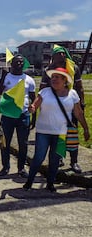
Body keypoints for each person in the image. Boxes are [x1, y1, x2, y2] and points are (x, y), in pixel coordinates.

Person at [24, 68, 89, 192]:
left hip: (61, 133)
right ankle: (29, 181)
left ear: (65, 80)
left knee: (54, 160)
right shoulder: (45, 92)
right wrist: (31, 108)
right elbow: (35, 106)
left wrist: (86, 129)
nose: (53, 79)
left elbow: (79, 113)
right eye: (52, 77)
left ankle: (50, 183)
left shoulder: (73, 94)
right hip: (43, 132)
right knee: (39, 157)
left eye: (57, 77)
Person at [39, 45, 85, 173]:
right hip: (55, 107)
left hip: (71, 105)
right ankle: (58, 158)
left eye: (64, 54)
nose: (62, 56)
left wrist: (82, 103)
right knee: (57, 135)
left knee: (72, 135)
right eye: (59, 54)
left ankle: (74, 161)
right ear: (53, 57)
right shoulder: (49, 70)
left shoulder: (73, 68)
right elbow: (42, 89)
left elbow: (79, 86)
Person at [0, 54, 35, 178]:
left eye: (21, 62)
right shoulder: (6, 77)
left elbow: (33, 99)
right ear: (11, 63)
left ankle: (21, 168)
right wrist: (3, 77)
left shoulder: (29, 79)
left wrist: (34, 117)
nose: (19, 64)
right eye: (16, 62)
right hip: (7, 116)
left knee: (23, 143)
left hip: (23, 115)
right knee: (5, 143)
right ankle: (5, 167)